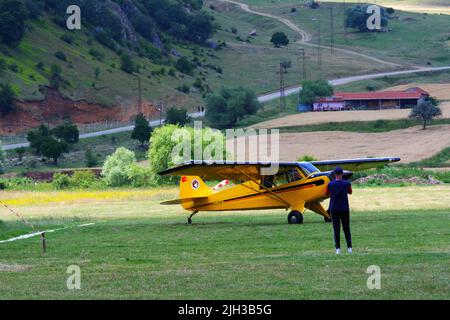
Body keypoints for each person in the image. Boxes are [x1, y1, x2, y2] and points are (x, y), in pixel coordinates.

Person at [326, 166, 353, 255]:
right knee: (346, 229)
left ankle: (338, 249)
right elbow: (350, 192)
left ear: (334, 174)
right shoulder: (347, 183)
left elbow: (326, 193)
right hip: (344, 209)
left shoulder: (330, 184)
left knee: (336, 230)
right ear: (342, 174)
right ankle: (349, 248)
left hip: (334, 209)